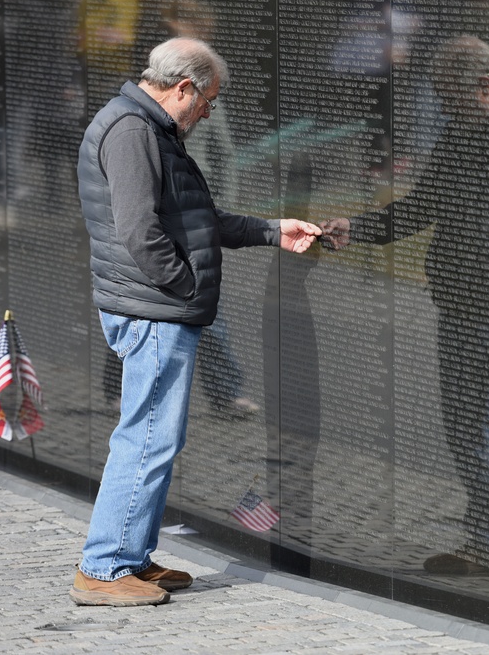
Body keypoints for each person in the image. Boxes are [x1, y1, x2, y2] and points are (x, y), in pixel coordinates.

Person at [72, 36, 322, 607]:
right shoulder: (134, 131)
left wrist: (269, 229)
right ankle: (104, 568)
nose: (210, 111)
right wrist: (185, 288)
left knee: (157, 436)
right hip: (155, 310)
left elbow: (195, 219)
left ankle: (129, 557)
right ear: (182, 89)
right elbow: (140, 231)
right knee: (147, 439)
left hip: (155, 307)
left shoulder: (147, 126)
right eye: (208, 99)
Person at [321, 36, 489, 582]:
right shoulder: (461, 129)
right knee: (467, 423)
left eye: (449, 98)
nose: (443, 109)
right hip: (459, 300)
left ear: (486, 87)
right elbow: (428, 203)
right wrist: (359, 228)